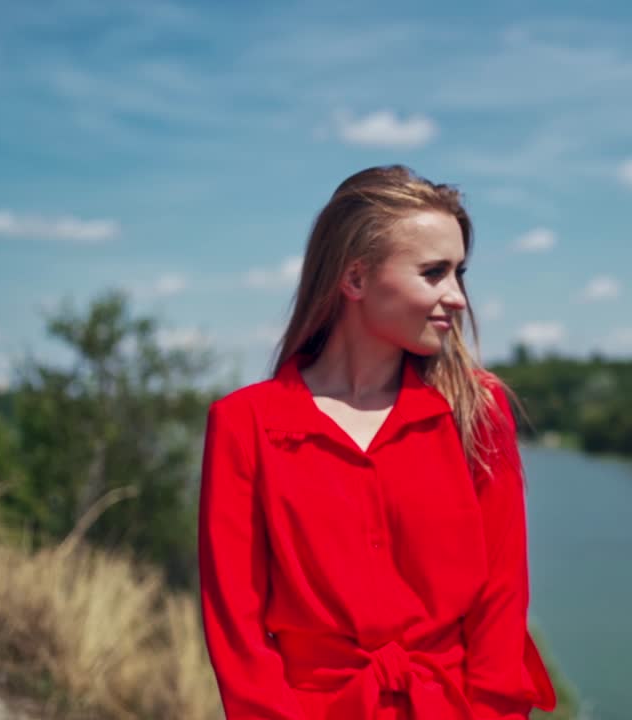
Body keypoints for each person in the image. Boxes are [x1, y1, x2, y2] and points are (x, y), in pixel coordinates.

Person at [198, 165, 558, 719]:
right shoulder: (244, 424)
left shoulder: (477, 414)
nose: (457, 297)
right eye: (433, 272)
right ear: (356, 279)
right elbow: (236, 628)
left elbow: (501, 605)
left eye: (459, 272)